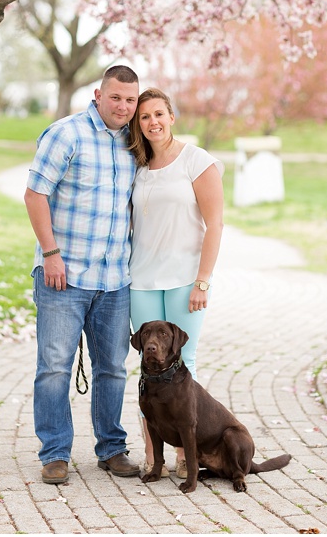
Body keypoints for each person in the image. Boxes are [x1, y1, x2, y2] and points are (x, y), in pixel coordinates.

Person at [25, 65, 142, 484]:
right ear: (98, 94)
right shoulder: (66, 134)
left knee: (112, 366)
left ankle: (111, 449)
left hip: (115, 279)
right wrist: (51, 254)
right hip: (64, 275)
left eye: (130, 100)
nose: (123, 107)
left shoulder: (134, 141)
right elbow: (35, 194)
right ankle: (55, 453)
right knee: (54, 366)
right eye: (116, 98)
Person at [125, 87, 224, 477]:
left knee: (186, 365)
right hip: (142, 280)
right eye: (144, 117)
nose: (152, 123)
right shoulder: (139, 166)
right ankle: (154, 458)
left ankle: (188, 455)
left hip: (185, 279)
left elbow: (215, 224)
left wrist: (203, 281)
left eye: (159, 114)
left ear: (171, 117)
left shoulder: (196, 161)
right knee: (148, 370)